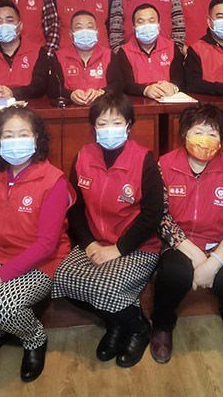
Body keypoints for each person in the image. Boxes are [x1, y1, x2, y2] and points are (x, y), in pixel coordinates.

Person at [0, 106, 74, 383]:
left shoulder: (53, 180)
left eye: (23, 134)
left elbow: (46, 245)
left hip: (40, 261)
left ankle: (34, 339)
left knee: (1, 305)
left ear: (36, 139)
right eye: (8, 135)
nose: (16, 141)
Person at [52, 91, 163, 368]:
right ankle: (115, 323)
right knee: (59, 278)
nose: (109, 128)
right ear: (94, 126)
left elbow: (152, 214)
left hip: (137, 246)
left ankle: (137, 328)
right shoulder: (83, 156)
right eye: (102, 123)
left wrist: (118, 249)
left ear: (129, 125)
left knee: (106, 287)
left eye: (117, 122)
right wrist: (89, 243)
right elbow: (75, 208)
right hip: (94, 243)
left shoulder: (144, 159)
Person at [151, 104, 223, 363]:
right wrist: (195, 255)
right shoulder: (165, 164)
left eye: (212, 133)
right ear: (185, 134)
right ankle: (162, 324)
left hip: (220, 242)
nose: (205, 139)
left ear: (221, 139)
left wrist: (213, 262)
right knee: (173, 274)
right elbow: (160, 215)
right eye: (198, 132)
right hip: (179, 243)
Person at [0, 0, 50, 102]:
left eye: (10, 21)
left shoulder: (38, 52)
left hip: (31, 107)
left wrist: (13, 93)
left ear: (20, 26)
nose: (4, 25)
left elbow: (40, 86)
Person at [108, 3, 184, 99]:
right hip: (138, 103)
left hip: (168, 100)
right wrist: (145, 90)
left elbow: (180, 79)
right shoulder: (124, 52)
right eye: (140, 22)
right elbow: (125, 84)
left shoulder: (172, 48)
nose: (146, 25)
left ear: (159, 25)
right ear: (134, 28)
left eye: (151, 21)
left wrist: (173, 87)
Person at [50, 10, 116, 106]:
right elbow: (52, 88)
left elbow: (118, 85)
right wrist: (70, 94)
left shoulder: (109, 55)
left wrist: (100, 92)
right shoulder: (59, 57)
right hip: (71, 110)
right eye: (79, 28)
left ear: (97, 33)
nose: (85, 32)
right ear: (71, 34)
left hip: (103, 108)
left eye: (90, 27)